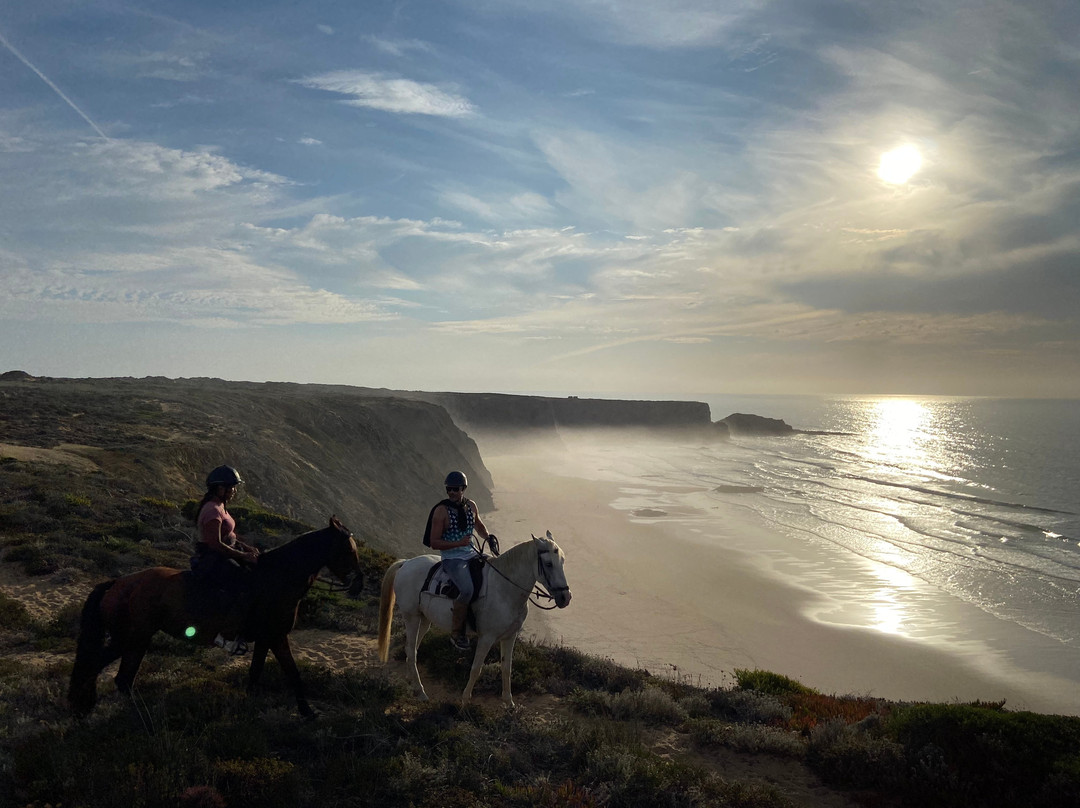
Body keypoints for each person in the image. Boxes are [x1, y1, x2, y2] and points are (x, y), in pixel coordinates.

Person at [426, 471, 497, 650]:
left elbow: (478, 525)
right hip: (452, 559)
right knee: (466, 590)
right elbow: (434, 543)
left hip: (472, 554)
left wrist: (488, 537)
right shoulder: (441, 511)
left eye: (455, 489)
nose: (451, 492)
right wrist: (458, 542)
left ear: (463, 489)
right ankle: (457, 634)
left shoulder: (471, 505)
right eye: (449, 489)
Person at [193, 464, 260, 654]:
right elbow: (215, 544)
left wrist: (246, 548)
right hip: (214, 560)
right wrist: (243, 556)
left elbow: (229, 535)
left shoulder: (221, 506)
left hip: (223, 554)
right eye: (231, 487)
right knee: (243, 585)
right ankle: (223, 634)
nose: (234, 491)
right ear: (220, 488)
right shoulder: (213, 510)